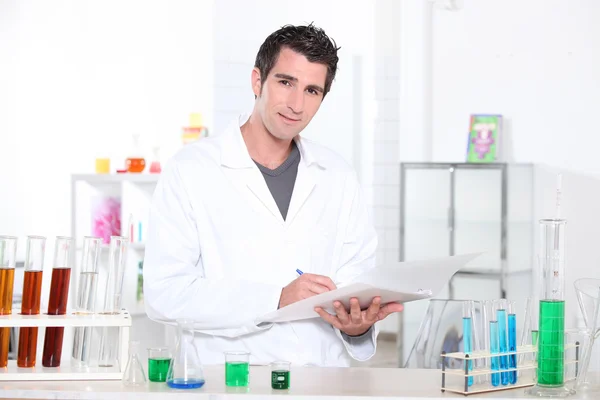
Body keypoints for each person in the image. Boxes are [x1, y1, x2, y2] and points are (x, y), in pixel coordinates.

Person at [143, 23, 403, 367]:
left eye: (312, 91)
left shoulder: (337, 174)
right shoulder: (191, 170)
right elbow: (165, 293)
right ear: (257, 81)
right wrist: (276, 298)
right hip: (229, 380)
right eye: (285, 82)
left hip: (321, 382)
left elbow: (355, 282)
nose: (297, 104)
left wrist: (356, 326)